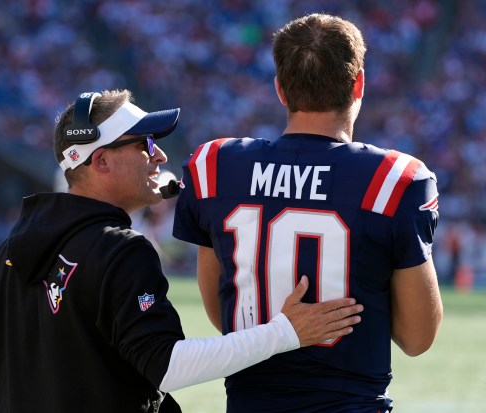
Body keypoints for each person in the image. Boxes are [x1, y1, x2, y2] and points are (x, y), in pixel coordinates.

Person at [0, 90, 364, 413]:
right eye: (145, 144)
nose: (160, 155)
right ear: (100, 162)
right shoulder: (119, 249)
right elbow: (167, 366)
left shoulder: (11, 247)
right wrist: (284, 332)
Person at [172, 13, 443, 413]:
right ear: (359, 84)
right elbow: (417, 338)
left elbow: (221, 310)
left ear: (281, 89)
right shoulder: (394, 180)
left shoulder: (214, 165)